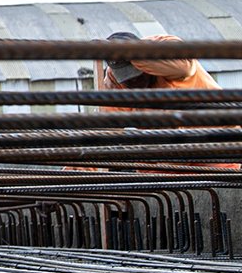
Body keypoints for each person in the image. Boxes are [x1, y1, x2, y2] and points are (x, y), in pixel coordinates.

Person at [96, 32, 237, 170]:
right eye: (126, 79)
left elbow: (183, 67)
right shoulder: (114, 76)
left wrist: (134, 55)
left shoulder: (166, 46)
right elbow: (109, 123)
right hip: (167, 154)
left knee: (219, 185)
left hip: (211, 144)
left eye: (137, 74)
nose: (132, 81)